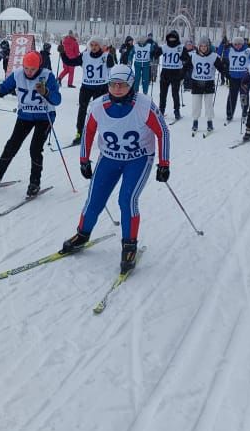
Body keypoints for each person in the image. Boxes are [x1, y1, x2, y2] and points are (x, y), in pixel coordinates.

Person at [59, 65, 170, 275]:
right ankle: (83, 234)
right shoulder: (99, 106)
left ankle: (129, 245)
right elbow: (88, 132)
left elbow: (163, 132)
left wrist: (164, 164)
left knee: (126, 199)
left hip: (138, 159)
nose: (117, 89)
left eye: (123, 85)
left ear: (131, 85)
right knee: (94, 200)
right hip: (108, 158)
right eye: (113, 84)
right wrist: (84, 159)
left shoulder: (144, 106)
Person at [0, 51, 61, 197]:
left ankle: (34, 183)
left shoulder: (47, 75)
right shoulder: (17, 74)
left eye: (33, 69)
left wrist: (46, 92)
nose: (29, 72)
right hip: (25, 116)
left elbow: (57, 100)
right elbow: (5, 87)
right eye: (27, 68)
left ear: (39, 67)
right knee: (11, 146)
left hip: (45, 117)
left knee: (35, 149)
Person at [59, 35, 115, 144]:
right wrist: (62, 53)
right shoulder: (84, 56)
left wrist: (111, 55)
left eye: (96, 45)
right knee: (82, 110)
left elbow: (111, 64)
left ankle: (104, 133)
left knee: (100, 111)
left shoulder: (106, 56)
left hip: (101, 87)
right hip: (86, 87)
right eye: (92, 45)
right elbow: (70, 62)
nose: (94, 47)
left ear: (101, 46)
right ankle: (79, 133)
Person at [186, 37, 225, 134]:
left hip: (208, 83)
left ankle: (209, 121)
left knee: (208, 104)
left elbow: (221, 68)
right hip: (196, 83)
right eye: (201, 46)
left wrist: (227, 74)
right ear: (199, 46)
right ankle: (195, 121)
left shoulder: (213, 56)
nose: (203, 48)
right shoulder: (193, 56)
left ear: (208, 47)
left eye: (205, 46)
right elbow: (186, 67)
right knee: (196, 104)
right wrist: (179, 76)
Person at [152, 30, 185, 120]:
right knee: (163, 93)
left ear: (177, 38)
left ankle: (177, 111)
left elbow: (187, 59)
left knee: (175, 93)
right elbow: (155, 55)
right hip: (165, 72)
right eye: (170, 38)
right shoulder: (164, 47)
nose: (172, 40)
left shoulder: (181, 48)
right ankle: (161, 110)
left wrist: (183, 71)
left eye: (173, 38)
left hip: (176, 72)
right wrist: (155, 49)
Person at [222, 36, 250, 123]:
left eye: (239, 44)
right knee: (232, 96)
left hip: (244, 78)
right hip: (233, 77)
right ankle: (229, 113)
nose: (237, 45)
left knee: (244, 95)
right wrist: (223, 45)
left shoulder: (248, 50)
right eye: (235, 44)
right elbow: (220, 53)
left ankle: (244, 112)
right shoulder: (230, 50)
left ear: (243, 44)